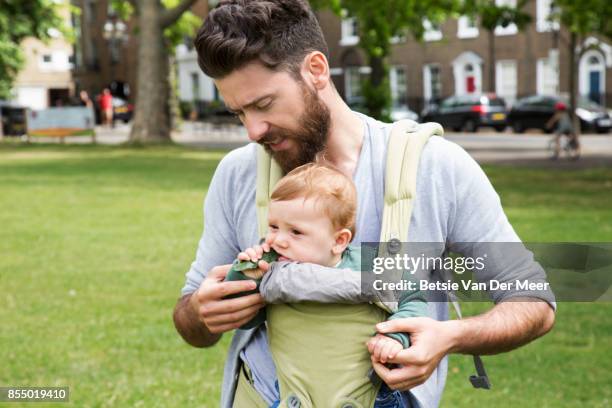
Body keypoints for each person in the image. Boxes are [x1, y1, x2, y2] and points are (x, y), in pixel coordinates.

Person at [172, 1, 556, 407]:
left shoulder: (436, 166)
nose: (253, 131)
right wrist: (200, 313)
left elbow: (533, 300)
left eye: (263, 105)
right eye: (239, 114)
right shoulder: (237, 173)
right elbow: (190, 317)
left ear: (316, 70)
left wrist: (450, 336)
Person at [225, 162, 426, 407]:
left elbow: (414, 299)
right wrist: (245, 274)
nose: (279, 240)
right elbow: (246, 319)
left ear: (339, 240)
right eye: (274, 226)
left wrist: (396, 338)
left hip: (368, 398)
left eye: (296, 232)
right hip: (295, 396)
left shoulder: (369, 263)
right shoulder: (272, 268)